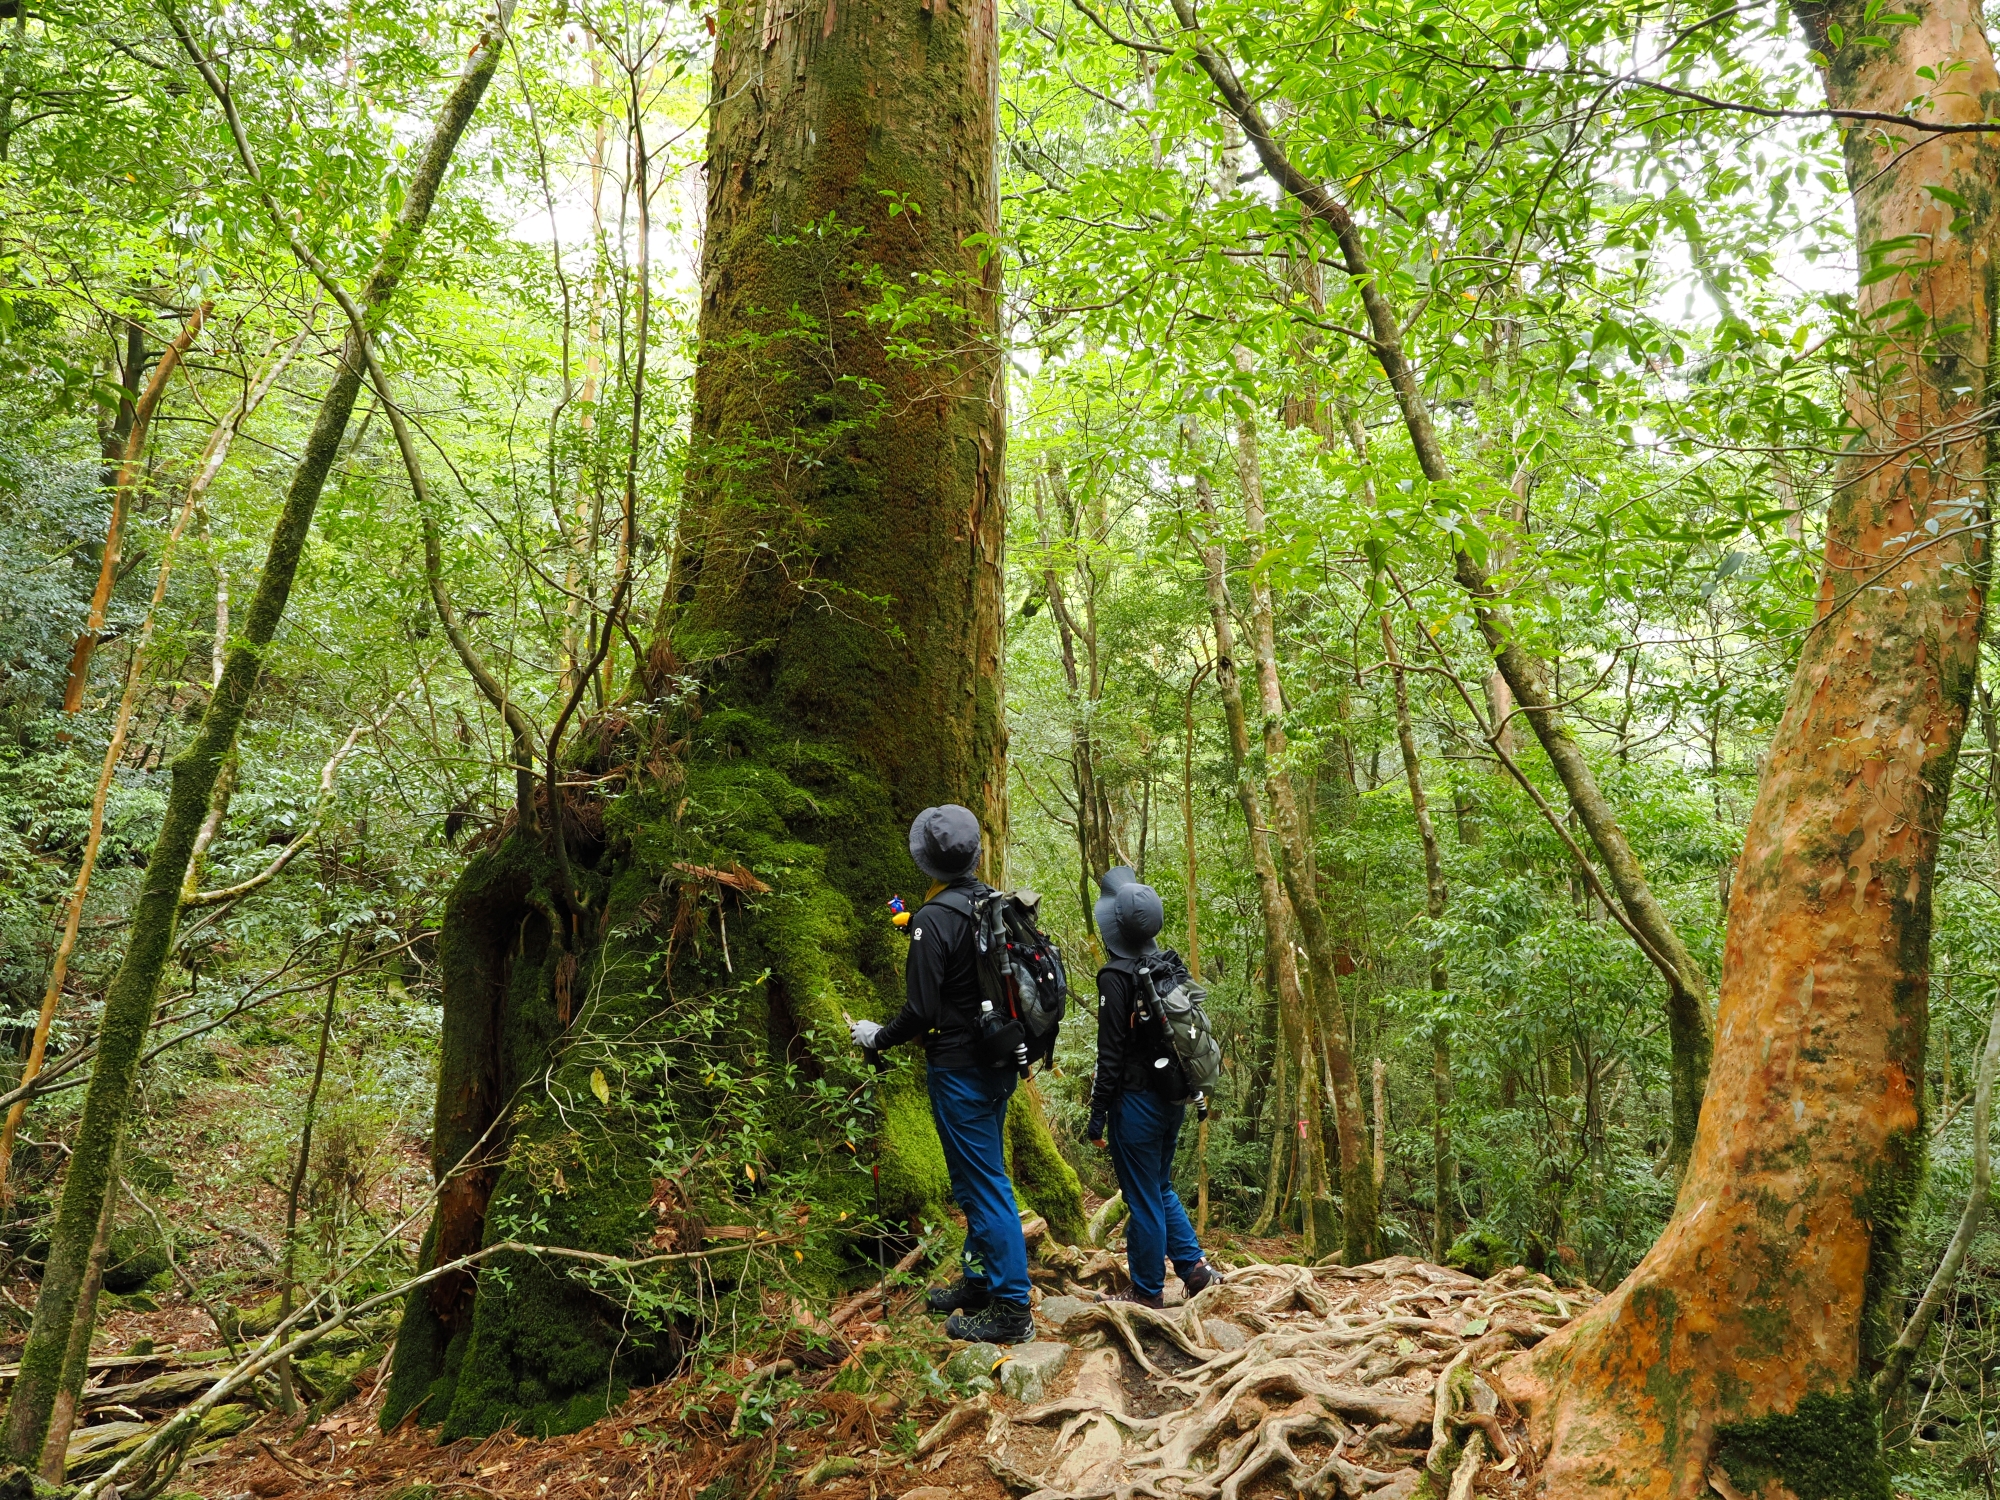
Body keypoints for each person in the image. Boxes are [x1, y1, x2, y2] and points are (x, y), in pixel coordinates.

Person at [846, 804, 1034, 1345]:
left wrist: (874, 1036)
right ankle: (979, 1282)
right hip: (998, 1062)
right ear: (975, 855)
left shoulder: (934, 919)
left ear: (929, 863)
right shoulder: (991, 904)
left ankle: (1011, 1310)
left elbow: (920, 1010)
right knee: (975, 1179)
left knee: (985, 1183)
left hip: (959, 1069)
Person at [1085, 866, 1216, 1309]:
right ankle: (1194, 1270)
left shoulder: (1115, 977)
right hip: (1173, 1096)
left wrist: (1097, 1115)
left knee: (1143, 1197)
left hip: (1136, 1103)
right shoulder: (1165, 965)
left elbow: (1111, 1055)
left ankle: (1145, 1292)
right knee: (1159, 1186)